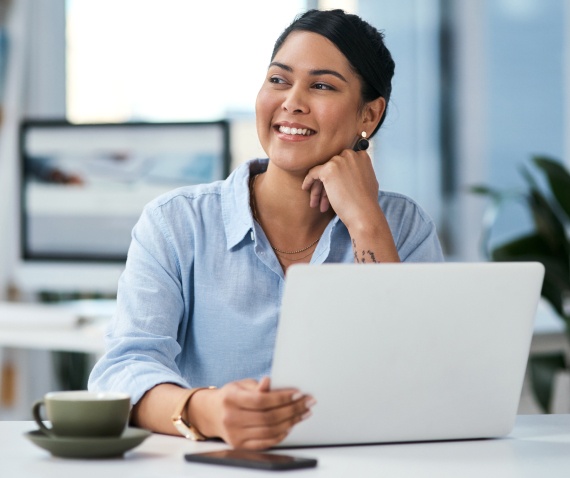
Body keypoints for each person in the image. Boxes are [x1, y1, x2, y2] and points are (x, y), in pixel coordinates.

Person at [88, 9, 444, 450]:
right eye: (278, 80)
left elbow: (418, 376)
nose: (292, 101)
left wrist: (366, 221)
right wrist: (207, 410)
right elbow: (123, 370)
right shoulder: (176, 222)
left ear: (368, 114)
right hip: (217, 464)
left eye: (321, 85)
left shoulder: (403, 227)